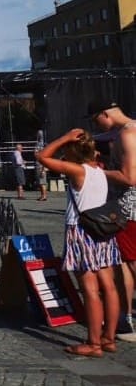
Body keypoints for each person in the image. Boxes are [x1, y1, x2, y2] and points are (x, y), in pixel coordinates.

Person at [36, 128, 133, 357]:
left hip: (82, 231)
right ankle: (108, 338)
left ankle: (93, 343)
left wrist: (64, 137)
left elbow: (42, 157)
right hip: (103, 231)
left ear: (73, 151)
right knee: (109, 286)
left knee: (89, 289)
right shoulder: (100, 171)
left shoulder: (77, 171)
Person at [88, 99, 136, 337]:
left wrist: (97, 172)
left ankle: (126, 316)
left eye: (96, 119)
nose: (97, 124)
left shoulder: (127, 133)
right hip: (128, 207)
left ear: (104, 113)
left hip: (130, 207)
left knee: (131, 262)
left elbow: (129, 177)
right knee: (124, 262)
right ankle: (125, 317)